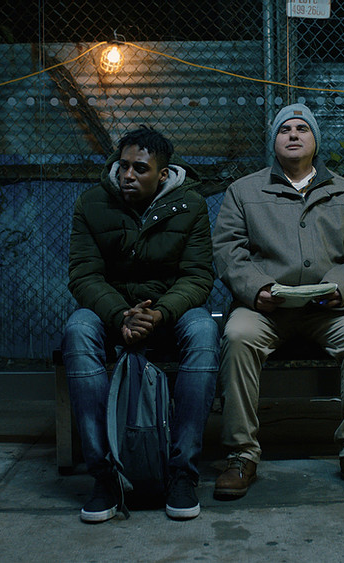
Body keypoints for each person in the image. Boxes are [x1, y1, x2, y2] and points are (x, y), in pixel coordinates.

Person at [212, 103, 344, 499]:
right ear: (274, 142)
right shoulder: (243, 191)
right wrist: (256, 288)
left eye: (302, 129)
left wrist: (339, 287)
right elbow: (228, 250)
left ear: (315, 141)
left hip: (330, 308)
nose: (293, 135)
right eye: (284, 129)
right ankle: (242, 454)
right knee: (237, 336)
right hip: (266, 310)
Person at [61, 126, 218, 523]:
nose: (128, 175)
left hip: (169, 311)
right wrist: (121, 315)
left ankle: (182, 473)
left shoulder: (191, 205)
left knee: (204, 330)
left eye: (140, 169)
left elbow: (198, 276)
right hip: (113, 311)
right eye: (123, 166)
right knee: (78, 329)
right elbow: (83, 275)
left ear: (162, 175)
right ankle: (105, 475)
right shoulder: (92, 203)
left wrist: (160, 312)